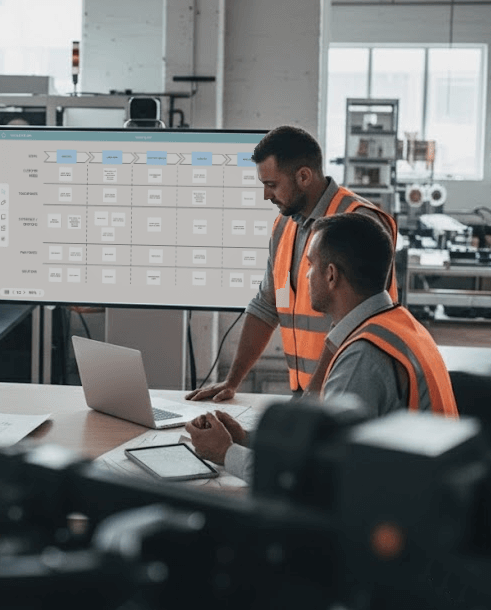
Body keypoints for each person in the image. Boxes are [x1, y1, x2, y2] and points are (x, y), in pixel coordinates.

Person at [186, 212, 458, 481]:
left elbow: (319, 480)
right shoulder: (402, 326)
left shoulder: (362, 357)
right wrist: (248, 440)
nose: (305, 276)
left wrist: (226, 452)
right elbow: (328, 450)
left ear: (331, 275)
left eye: (310, 265)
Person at [186, 125, 397, 403]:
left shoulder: (359, 221)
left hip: (352, 389)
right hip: (309, 393)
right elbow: (266, 305)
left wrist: (314, 394)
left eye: (272, 185)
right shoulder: (284, 225)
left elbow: (358, 318)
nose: (266, 195)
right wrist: (232, 381)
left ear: (304, 176)